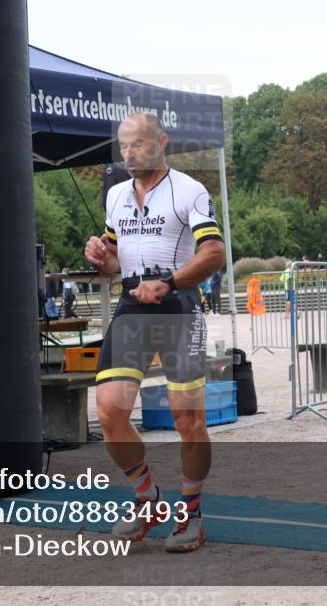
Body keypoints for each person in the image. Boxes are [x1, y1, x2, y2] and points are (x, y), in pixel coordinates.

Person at [84, 113, 225, 553]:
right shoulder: (116, 196)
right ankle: (148, 500)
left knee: (189, 420)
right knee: (109, 411)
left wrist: (172, 281)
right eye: (124, 146)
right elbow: (113, 262)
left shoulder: (189, 190)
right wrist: (98, 256)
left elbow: (215, 252)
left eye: (140, 144)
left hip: (178, 306)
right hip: (132, 307)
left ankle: (192, 513)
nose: (129, 153)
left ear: (162, 142)